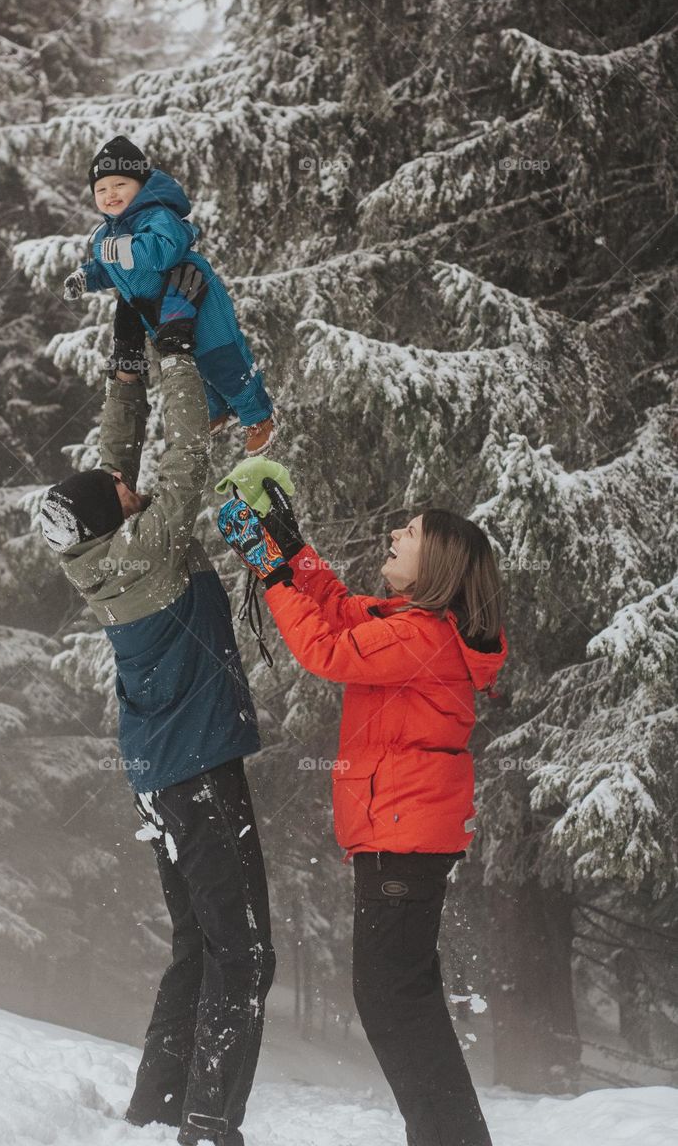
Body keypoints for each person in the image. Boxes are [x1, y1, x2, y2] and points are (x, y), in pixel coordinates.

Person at [39, 308, 275, 1146]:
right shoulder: (147, 546)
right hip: (198, 776)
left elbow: (118, 467)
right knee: (243, 955)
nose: (130, 488)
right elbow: (183, 460)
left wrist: (125, 370)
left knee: (197, 942)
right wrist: (176, 354)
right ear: (118, 517)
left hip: (163, 775)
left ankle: (156, 1108)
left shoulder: (105, 548)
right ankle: (209, 1124)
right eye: (125, 498)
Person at [217, 474, 508, 1146]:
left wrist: (267, 571)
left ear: (434, 562)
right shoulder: (413, 627)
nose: (393, 536)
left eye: (407, 535)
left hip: (403, 840)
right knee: (401, 998)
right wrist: (291, 552)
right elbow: (342, 611)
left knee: (390, 1000)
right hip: (401, 837)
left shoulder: (423, 637)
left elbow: (325, 650)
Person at [63, 134, 276, 455]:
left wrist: (124, 248)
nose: (110, 195)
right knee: (190, 363)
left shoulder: (156, 214)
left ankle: (258, 414)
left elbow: (165, 249)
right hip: (160, 311)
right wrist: (87, 277)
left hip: (195, 295)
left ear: (140, 184)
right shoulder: (106, 235)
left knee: (221, 358)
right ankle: (218, 410)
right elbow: (113, 269)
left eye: (119, 185)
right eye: (101, 189)